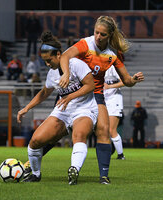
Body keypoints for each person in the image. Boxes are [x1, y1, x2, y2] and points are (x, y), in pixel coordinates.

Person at [59, 15, 144, 184]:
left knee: (104, 130)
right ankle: (33, 165)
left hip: (96, 94)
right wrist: (67, 73)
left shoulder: (112, 54)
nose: (98, 36)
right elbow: (64, 56)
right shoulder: (85, 44)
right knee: (54, 134)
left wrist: (133, 80)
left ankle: (103, 176)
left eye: (103, 34)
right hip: (75, 92)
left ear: (110, 35)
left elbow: (126, 80)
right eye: (96, 32)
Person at [17, 31, 98, 185]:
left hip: (85, 108)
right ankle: (35, 174)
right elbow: (43, 93)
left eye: (49, 60)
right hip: (64, 110)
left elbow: (91, 85)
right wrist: (26, 108)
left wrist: (70, 97)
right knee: (35, 141)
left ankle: (74, 170)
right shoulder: (52, 73)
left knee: (79, 135)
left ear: (59, 54)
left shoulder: (76, 64)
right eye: (45, 61)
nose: (48, 64)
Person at [104, 65, 125, 160]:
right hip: (104, 100)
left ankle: (121, 155)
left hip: (114, 100)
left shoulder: (113, 67)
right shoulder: (97, 66)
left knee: (112, 130)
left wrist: (109, 86)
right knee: (103, 129)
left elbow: (124, 81)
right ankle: (109, 150)